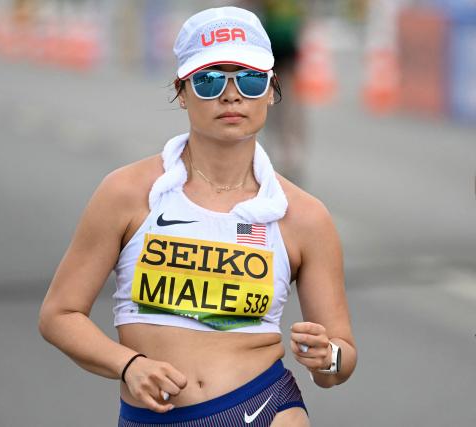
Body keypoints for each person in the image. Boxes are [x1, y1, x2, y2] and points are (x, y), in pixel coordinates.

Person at [39, 6, 356, 426]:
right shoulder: (126, 193)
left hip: (266, 407)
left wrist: (327, 357)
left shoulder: (304, 217)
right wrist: (128, 365)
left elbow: (339, 361)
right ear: (182, 92)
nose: (231, 94)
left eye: (248, 78)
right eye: (208, 81)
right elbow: (59, 315)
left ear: (270, 90)